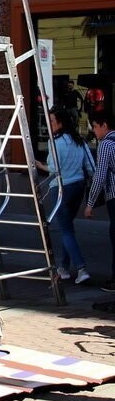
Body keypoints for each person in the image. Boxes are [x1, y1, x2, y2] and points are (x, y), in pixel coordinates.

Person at [35, 108, 95, 285]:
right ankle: (63, 267)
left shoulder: (55, 142)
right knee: (68, 228)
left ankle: (81, 268)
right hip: (78, 185)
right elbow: (91, 166)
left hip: (61, 187)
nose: (49, 124)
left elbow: (53, 169)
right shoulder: (79, 140)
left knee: (66, 230)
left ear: (60, 122)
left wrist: (40, 166)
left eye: (52, 120)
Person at [84, 113, 115, 293]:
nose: (93, 131)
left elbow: (100, 176)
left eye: (95, 126)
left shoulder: (106, 145)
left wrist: (90, 203)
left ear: (104, 125)